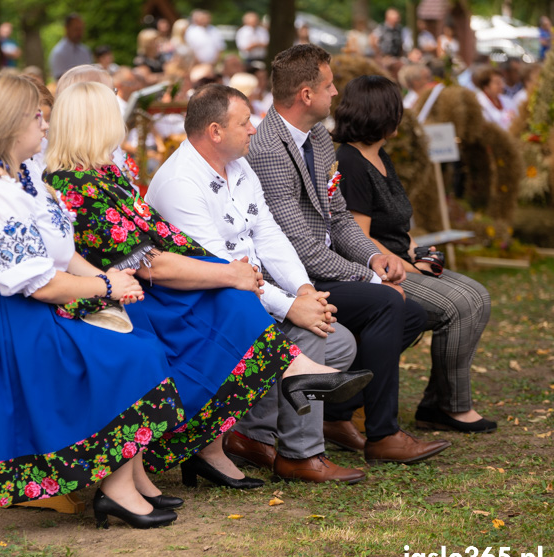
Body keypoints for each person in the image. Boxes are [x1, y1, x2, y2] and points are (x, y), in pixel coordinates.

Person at [45, 81, 373, 488]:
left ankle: (225, 440)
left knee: (244, 303)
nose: (123, 125)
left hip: (150, 284)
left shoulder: (106, 173)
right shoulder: (73, 184)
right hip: (124, 295)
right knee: (234, 301)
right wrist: (230, 273)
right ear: (94, 123)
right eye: (116, 117)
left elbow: (168, 237)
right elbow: (148, 261)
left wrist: (280, 285)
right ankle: (282, 398)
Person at [0, 73, 184, 529]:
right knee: (128, 357)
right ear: (8, 125)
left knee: (144, 345)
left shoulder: (27, 175)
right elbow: (37, 284)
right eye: (36, 116)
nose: (45, 123)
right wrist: (107, 288)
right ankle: (115, 489)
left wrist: (105, 276)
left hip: (36, 307)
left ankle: (130, 478)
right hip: (4, 319)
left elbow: (63, 254)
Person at [147, 84, 365, 484]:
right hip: (203, 310)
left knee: (340, 342)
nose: (254, 129)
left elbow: (268, 233)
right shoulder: (181, 182)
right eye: (244, 122)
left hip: (247, 297)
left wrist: (303, 290)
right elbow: (222, 271)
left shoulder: (239, 165)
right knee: (311, 337)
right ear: (215, 131)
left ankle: (249, 436)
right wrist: (291, 308)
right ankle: (302, 455)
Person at [247, 44, 451, 464]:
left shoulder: (319, 138)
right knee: (388, 304)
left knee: (412, 313)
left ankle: (337, 414)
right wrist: (372, 278)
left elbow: (338, 216)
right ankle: (383, 435)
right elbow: (299, 246)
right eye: (328, 84)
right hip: (293, 279)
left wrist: (374, 258)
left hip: (326, 268)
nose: (336, 92)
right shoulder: (268, 148)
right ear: (306, 94)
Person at [333, 76, 496, 434]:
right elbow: (358, 240)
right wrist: (409, 267)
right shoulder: (350, 162)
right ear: (386, 114)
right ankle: (447, 407)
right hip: (376, 271)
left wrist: (418, 253)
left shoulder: (379, 156)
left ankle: (440, 403)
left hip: (402, 260)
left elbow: (393, 227)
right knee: (460, 304)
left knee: (478, 296)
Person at [49, 13, 93, 80]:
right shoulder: (58, 53)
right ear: (66, 28)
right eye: (76, 29)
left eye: (81, 29)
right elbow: (60, 79)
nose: (79, 32)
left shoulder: (85, 51)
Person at [473, 66, 516, 131]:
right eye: (497, 83)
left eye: (502, 82)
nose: (502, 86)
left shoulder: (507, 100)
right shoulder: (478, 103)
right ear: (486, 86)